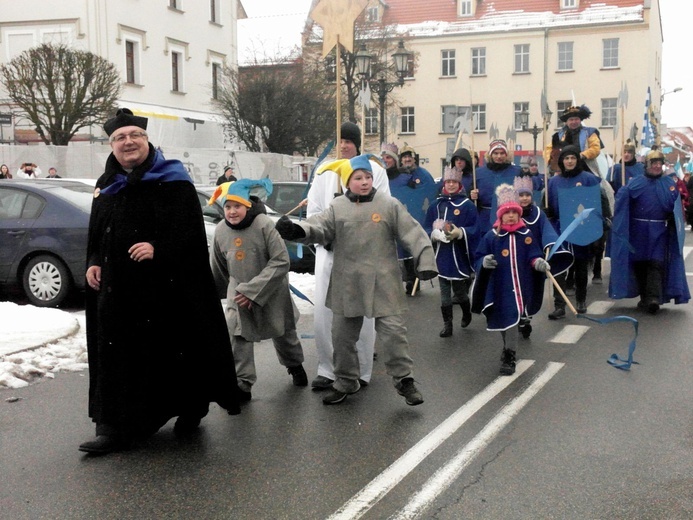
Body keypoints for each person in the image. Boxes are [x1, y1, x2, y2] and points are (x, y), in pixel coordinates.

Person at [81, 108, 240, 455]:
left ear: (146, 139)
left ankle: (190, 407)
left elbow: (191, 238)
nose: (128, 142)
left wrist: (158, 248)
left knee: (172, 355)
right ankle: (112, 428)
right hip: (117, 293)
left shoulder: (173, 181)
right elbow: (97, 234)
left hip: (164, 293)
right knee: (117, 358)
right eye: (120, 138)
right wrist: (93, 262)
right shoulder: (105, 185)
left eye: (134, 135)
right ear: (112, 145)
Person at [276, 154, 437, 406]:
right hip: (347, 283)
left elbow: (412, 231)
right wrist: (298, 231)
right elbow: (318, 227)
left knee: (394, 334)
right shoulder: (337, 207)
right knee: (341, 337)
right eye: (358, 178)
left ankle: (405, 380)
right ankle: (346, 380)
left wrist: (425, 261)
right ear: (346, 183)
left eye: (368, 177)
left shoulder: (387, 204)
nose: (364, 182)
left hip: (383, 281)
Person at [306, 122, 389, 390]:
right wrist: (324, 235)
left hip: (361, 255)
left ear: (357, 143)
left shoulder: (374, 170)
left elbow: (383, 210)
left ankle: (360, 370)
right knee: (325, 312)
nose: (344, 145)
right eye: (340, 140)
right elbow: (314, 212)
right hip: (329, 254)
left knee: (360, 315)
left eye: (349, 141)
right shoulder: (324, 171)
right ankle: (327, 368)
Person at [209, 178, 308, 401]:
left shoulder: (263, 224)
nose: (232, 211)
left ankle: (295, 365)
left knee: (283, 333)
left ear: (248, 206)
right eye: (227, 206)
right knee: (239, 336)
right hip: (239, 294)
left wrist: (253, 291)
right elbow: (218, 266)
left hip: (271, 290)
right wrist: (226, 292)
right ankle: (242, 382)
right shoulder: (221, 231)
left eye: (237, 206)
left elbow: (281, 261)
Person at [472, 183, 550, 375]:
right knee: (504, 319)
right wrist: (484, 261)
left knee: (514, 320)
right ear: (500, 215)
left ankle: (510, 354)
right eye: (507, 213)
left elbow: (533, 255)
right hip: (500, 287)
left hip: (521, 287)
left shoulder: (526, 235)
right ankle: (507, 346)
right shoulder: (492, 237)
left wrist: (538, 262)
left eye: (514, 212)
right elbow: (478, 257)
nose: (511, 216)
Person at [609, 150, 690, 313]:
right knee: (640, 264)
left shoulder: (669, 184)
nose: (657, 166)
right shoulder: (635, 183)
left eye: (659, 163)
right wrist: (622, 194)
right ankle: (645, 297)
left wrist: (674, 213)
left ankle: (653, 298)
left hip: (659, 231)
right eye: (654, 163)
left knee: (656, 263)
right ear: (647, 165)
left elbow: (675, 208)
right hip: (638, 231)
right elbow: (624, 204)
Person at [545, 145, 609, 318]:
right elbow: (548, 204)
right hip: (560, 229)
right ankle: (560, 305)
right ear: (562, 161)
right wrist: (547, 210)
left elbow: (598, 203)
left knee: (580, 266)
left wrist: (602, 224)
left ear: (577, 160)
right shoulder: (553, 182)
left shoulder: (589, 179)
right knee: (559, 267)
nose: (570, 161)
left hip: (582, 229)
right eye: (566, 158)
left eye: (573, 158)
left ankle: (581, 300)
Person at [424, 165, 479, 337]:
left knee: (460, 292)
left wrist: (460, 232)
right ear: (443, 184)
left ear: (459, 184)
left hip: (459, 255)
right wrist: (433, 234)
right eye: (448, 181)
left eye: (454, 182)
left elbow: (475, 228)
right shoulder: (436, 205)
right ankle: (448, 325)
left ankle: (466, 311)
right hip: (441, 255)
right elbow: (426, 226)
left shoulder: (467, 205)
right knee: (445, 293)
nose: (451, 185)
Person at [515, 175, 573, 337]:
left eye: (527, 195)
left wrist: (549, 244)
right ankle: (520, 316)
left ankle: (526, 317)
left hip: (534, 260)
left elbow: (547, 231)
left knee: (532, 289)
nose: (524, 198)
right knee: (517, 289)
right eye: (521, 195)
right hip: (516, 259)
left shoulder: (538, 214)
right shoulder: (511, 213)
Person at [390, 144, 437, 295]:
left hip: (419, 217)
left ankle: (417, 277)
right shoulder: (396, 176)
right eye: (404, 157)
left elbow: (431, 193)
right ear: (400, 160)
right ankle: (409, 279)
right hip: (401, 218)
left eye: (409, 156)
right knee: (403, 249)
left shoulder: (423, 175)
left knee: (417, 246)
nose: (407, 159)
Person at [471, 139, 523, 235]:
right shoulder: (478, 173)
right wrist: (473, 196)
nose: (499, 156)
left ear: (506, 154)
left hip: (509, 217)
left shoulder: (517, 171)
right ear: (490, 154)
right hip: (485, 219)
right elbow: (471, 198)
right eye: (495, 153)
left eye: (502, 153)